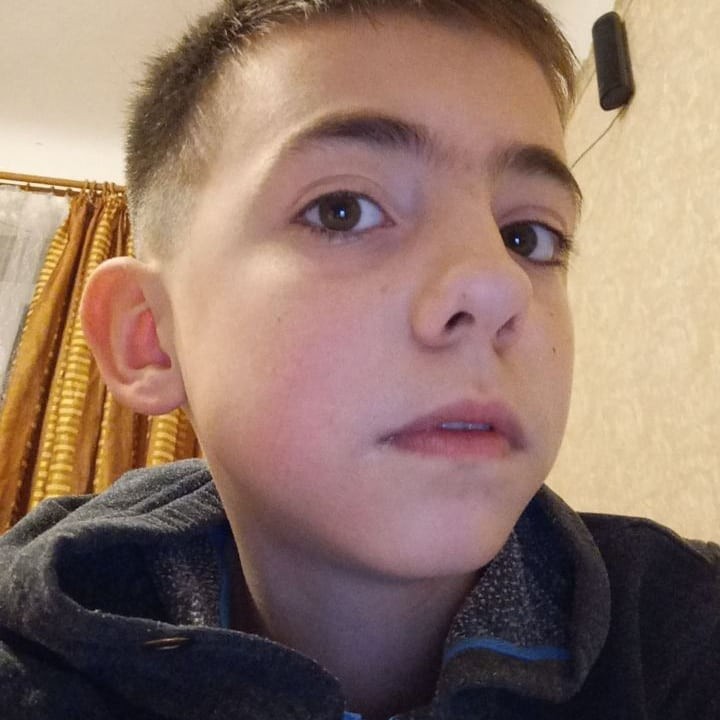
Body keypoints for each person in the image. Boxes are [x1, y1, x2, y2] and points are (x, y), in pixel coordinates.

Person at [1, 1, 718, 718]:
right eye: (342, 209)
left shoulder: (687, 635)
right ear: (151, 337)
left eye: (528, 236)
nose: (498, 286)